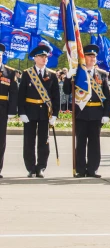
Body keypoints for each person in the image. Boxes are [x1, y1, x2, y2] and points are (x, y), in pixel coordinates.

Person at [63, 44, 110, 178]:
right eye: (90, 56)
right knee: (81, 142)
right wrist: (68, 77)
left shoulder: (102, 75)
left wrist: (106, 113)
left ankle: (92, 169)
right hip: (81, 113)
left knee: (95, 143)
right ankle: (80, 169)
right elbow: (67, 91)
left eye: (94, 56)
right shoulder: (78, 73)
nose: (93, 58)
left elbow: (107, 97)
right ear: (84, 57)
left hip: (96, 113)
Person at [18, 45, 60, 178]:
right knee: (29, 141)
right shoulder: (27, 74)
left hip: (44, 113)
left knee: (44, 141)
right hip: (30, 111)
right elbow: (21, 95)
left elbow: (55, 97)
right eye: (41, 57)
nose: (44, 59)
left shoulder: (52, 75)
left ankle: (41, 167)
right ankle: (30, 168)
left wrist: (55, 114)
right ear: (35, 58)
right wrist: (22, 112)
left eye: (46, 57)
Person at [0, 44, 17, 178]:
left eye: (0, 55)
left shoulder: (9, 73)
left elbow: (14, 93)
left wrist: (12, 110)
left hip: (2, 109)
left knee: (1, 140)